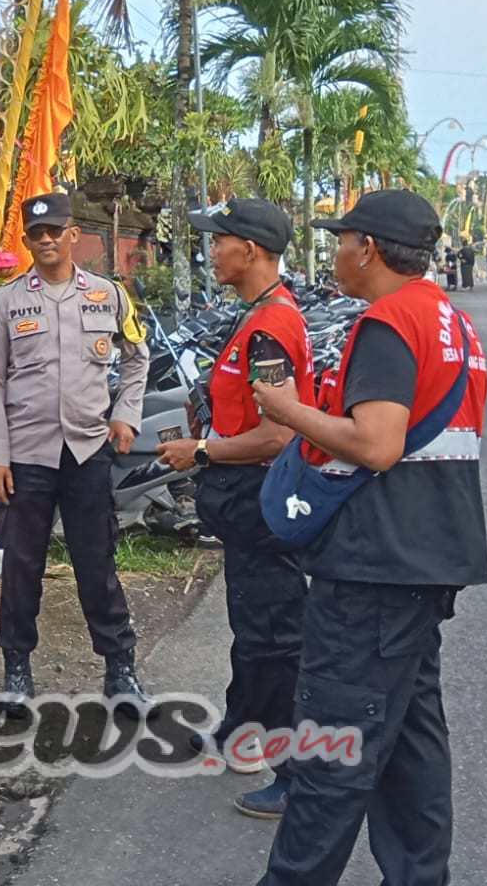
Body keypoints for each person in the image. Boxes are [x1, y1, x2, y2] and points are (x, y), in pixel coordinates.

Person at [248, 189, 487, 885]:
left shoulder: (390, 322)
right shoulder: (453, 322)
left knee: (333, 748)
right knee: (412, 743)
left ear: (371, 249)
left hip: (374, 565)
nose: (336, 250)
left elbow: (378, 445)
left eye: (343, 238)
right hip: (430, 553)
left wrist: (290, 411)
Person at [155, 199, 315, 817]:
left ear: (248, 250)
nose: (210, 250)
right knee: (253, 630)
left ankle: (297, 772)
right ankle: (241, 732)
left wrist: (200, 450)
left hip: (259, 497)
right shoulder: (257, 316)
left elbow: (278, 434)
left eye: (217, 241)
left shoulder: (271, 326)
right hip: (244, 503)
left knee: (273, 637)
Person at [0, 191, 152, 707]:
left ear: (74, 235)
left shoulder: (108, 295)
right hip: (25, 456)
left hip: (88, 450)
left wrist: (125, 414)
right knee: (21, 566)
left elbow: (137, 358)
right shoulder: (5, 302)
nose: (45, 240)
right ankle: (17, 670)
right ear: (26, 240)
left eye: (55, 231)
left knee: (98, 563)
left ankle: (120, 669)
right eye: (36, 233)